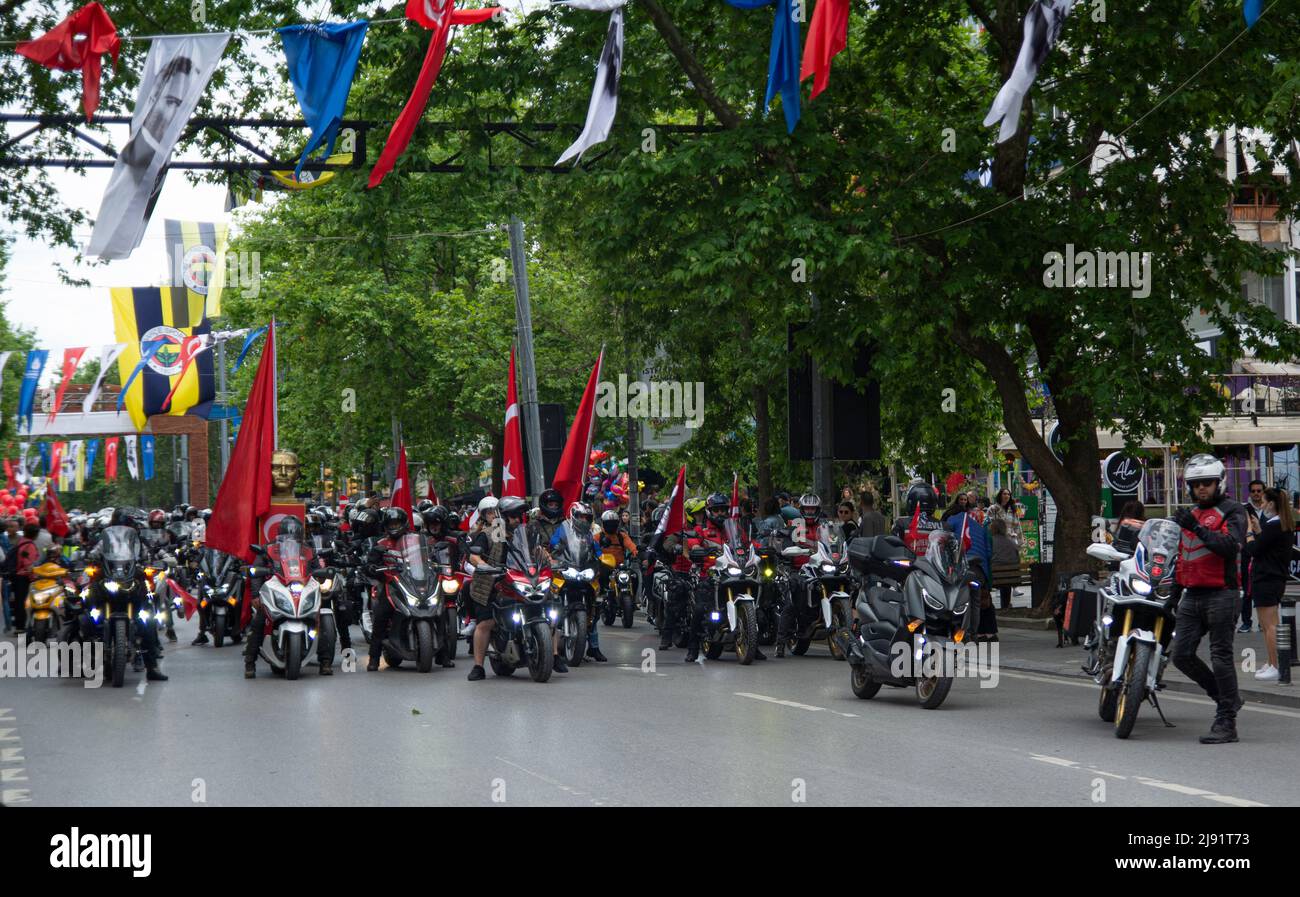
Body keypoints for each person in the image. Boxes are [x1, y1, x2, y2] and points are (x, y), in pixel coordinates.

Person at [1171, 454, 1247, 744]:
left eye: (1207, 483)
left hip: (1222, 594)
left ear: (1219, 483)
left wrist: (1197, 527)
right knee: (1181, 655)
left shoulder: (1233, 511)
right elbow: (1183, 558)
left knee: (1221, 657)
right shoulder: (1191, 514)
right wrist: (1173, 596)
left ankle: (1227, 722)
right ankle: (1226, 697)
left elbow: (1230, 547)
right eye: (1196, 484)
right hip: (1192, 595)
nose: (1201, 488)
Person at [466, 496, 553, 680]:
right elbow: (474, 555)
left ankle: (554, 654)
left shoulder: (525, 535)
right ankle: (478, 666)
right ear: (502, 516)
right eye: (512, 516)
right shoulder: (489, 533)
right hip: (491, 584)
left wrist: (551, 562)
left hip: (519, 581)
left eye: (518, 515)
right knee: (486, 623)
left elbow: (539, 554)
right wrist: (482, 565)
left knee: (552, 606)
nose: (516, 519)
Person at [1243, 486, 1291, 682]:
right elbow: (1268, 547)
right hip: (1273, 578)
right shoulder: (1280, 525)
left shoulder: (1274, 525)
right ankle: (1273, 662)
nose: (1261, 505)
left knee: (1269, 625)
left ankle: (1275, 665)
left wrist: (1249, 532)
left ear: (1271, 504)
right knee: (1269, 624)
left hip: (1267, 579)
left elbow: (1255, 549)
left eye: (1263, 501)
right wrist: (1259, 530)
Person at [551, 501, 607, 662]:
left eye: (586, 517)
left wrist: (602, 558)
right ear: (573, 516)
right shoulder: (563, 528)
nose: (583, 519)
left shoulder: (589, 535)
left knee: (594, 608)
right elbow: (555, 543)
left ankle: (594, 648)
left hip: (584, 572)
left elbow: (596, 550)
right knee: (552, 602)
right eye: (580, 516)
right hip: (566, 571)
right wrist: (556, 549)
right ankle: (551, 646)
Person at [1239, 479, 1267, 633]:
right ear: (1249, 493)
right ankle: (1246, 622)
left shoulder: (1269, 509)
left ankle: (1262, 622)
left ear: (1263, 492)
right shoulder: (1243, 509)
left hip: (1264, 554)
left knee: (1262, 589)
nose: (1256, 494)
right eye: (1253, 491)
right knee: (1246, 589)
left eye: (1259, 491)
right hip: (1247, 554)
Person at [892, 481, 943, 555]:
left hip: (911, 564)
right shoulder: (943, 526)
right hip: (934, 565)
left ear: (911, 502)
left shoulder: (901, 523)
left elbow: (894, 549)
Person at [9, 522, 41, 633]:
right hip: (24, 577)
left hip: (17, 575)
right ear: (35, 534)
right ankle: (22, 626)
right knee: (23, 602)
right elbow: (28, 564)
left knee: (19, 601)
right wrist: (34, 577)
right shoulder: (30, 545)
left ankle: (19, 625)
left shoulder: (21, 541)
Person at [989, 518, 1021, 611]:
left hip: (995, 577)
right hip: (1012, 577)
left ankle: (992, 606)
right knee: (1006, 582)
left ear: (993, 529)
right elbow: (1017, 558)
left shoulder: (990, 541)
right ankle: (1005, 606)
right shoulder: (1011, 542)